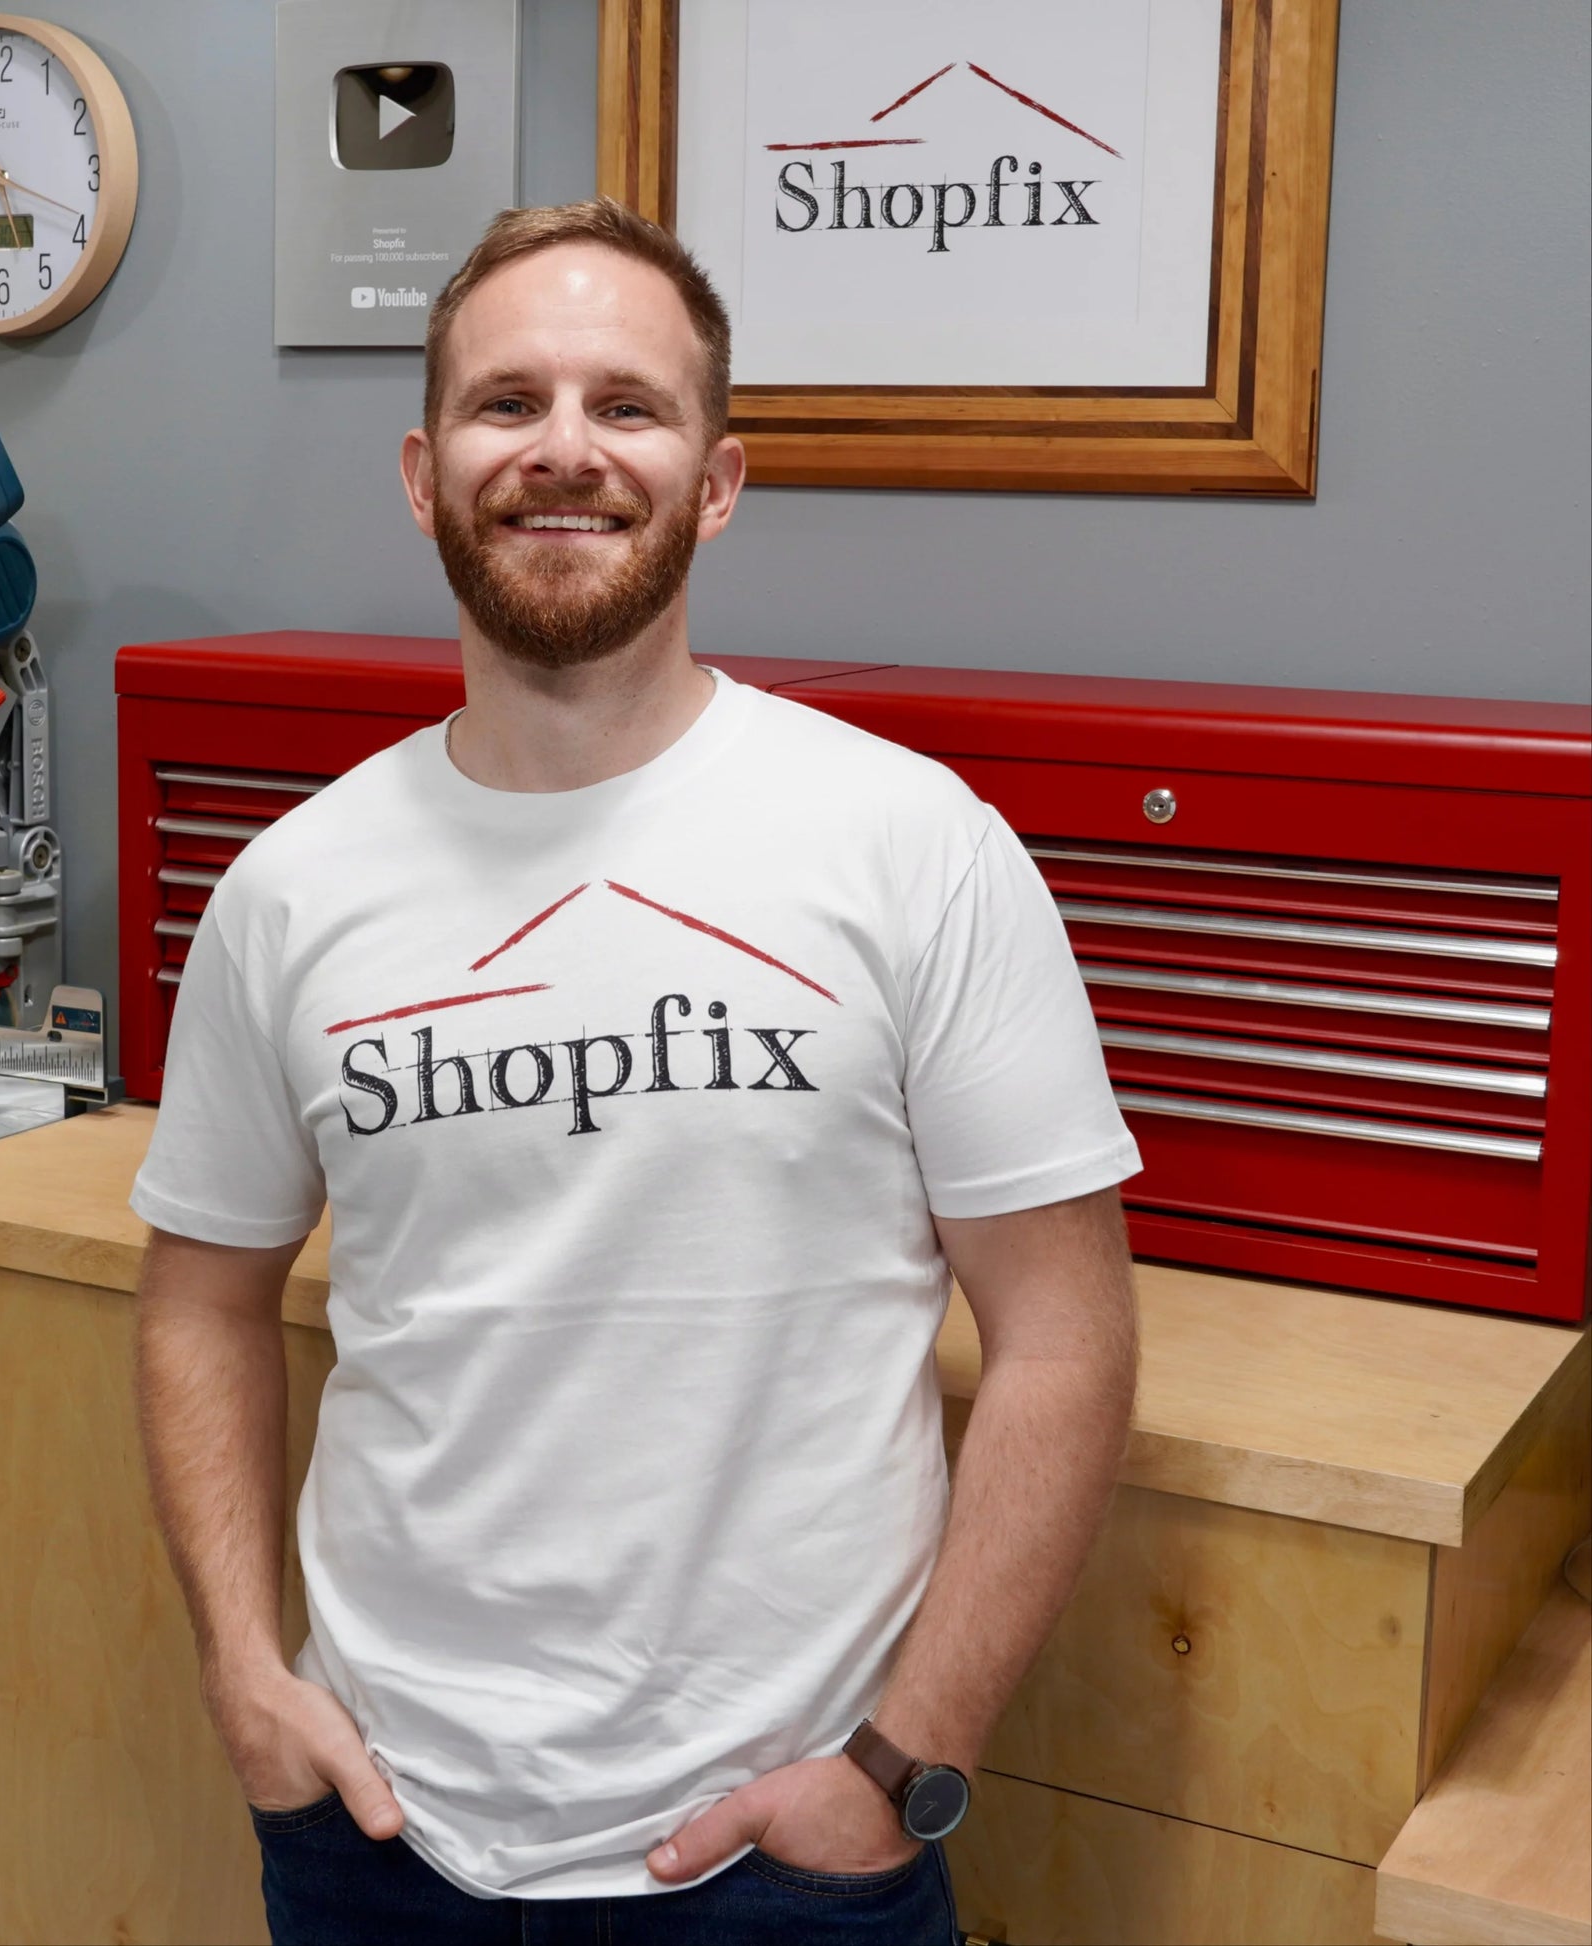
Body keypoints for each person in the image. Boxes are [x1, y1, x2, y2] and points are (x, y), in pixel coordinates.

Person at [131, 197, 1140, 1945]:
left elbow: (1065, 1335)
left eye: (628, 405)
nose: (563, 451)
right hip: (379, 1833)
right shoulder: (291, 887)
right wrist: (242, 1665)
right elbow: (198, 1304)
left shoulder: (909, 845)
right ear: (422, 469)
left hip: (779, 1853)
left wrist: (905, 1764)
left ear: (718, 477)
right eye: (505, 402)